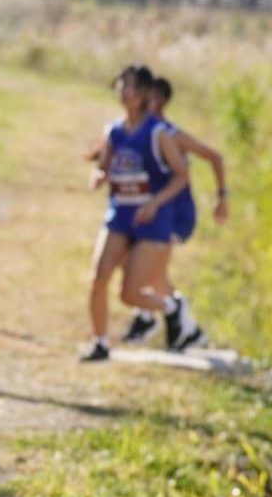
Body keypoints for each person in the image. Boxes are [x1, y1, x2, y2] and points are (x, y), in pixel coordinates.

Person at [81, 65, 198, 363]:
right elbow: (106, 165)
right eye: (121, 84)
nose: (124, 90)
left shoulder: (158, 133)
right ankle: (100, 343)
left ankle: (172, 308)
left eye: (131, 85)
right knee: (98, 278)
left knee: (130, 294)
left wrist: (155, 203)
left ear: (145, 93)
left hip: (151, 220)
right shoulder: (114, 131)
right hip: (119, 215)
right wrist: (99, 176)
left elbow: (181, 176)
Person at [120, 75, 225, 349]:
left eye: (148, 96)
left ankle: (167, 319)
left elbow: (215, 157)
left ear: (161, 101)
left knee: (150, 274)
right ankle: (182, 327)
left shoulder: (168, 133)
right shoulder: (139, 130)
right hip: (153, 214)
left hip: (174, 215)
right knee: (146, 272)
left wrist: (221, 197)